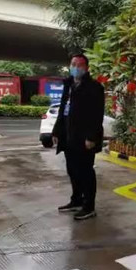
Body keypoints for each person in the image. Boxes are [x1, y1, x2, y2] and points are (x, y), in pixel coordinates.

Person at [52, 53, 105, 221]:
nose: (76, 67)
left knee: (85, 171)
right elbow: (63, 110)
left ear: (86, 68)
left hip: (85, 138)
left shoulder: (94, 87)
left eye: (80, 65)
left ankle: (89, 206)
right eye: (73, 64)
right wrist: (57, 131)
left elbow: (97, 114)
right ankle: (76, 200)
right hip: (69, 136)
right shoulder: (68, 85)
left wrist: (92, 137)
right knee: (72, 170)